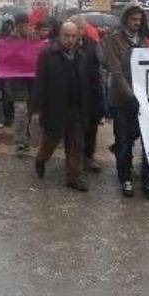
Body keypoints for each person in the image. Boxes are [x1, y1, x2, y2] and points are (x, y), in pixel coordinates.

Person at [105, 5, 149, 202]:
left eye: (139, 20)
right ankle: (125, 178)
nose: (137, 24)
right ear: (125, 20)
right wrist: (130, 97)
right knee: (123, 142)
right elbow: (116, 72)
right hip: (122, 100)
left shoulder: (146, 41)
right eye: (133, 20)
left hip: (144, 99)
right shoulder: (113, 40)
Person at [31, 22, 90, 192]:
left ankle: (73, 177)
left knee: (76, 144)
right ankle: (41, 160)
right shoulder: (48, 54)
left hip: (76, 107)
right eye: (67, 36)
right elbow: (40, 82)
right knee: (50, 141)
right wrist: (37, 109)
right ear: (60, 35)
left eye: (73, 36)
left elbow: (86, 82)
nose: (70, 40)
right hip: (55, 107)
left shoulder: (81, 55)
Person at [69, 15, 105, 173]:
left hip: (92, 92)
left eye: (83, 27)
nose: (81, 31)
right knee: (75, 129)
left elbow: (101, 63)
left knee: (91, 127)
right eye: (78, 27)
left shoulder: (92, 43)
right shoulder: (65, 46)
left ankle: (88, 156)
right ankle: (74, 159)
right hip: (74, 94)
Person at [7, 14, 38, 157]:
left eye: (26, 25)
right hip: (17, 81)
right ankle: (19, 142)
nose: (24, 28)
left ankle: (26, 138)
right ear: (16, 26)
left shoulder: (34, 38)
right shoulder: (10, 40)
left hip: (33, 81)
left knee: (30, 113)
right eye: (21, 26)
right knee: (21, 111)